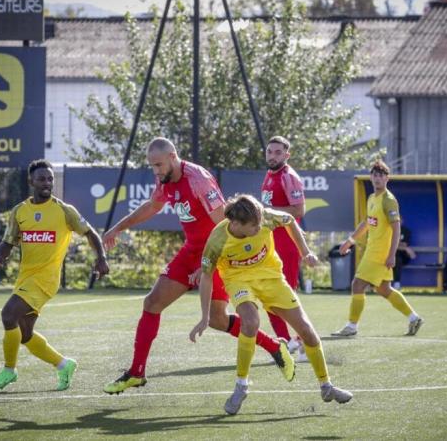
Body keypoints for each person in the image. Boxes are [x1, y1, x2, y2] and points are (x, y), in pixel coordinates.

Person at [102, 137, 292, 394]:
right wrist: (118, 227)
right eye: (152, 167)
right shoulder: (165, 178)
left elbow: (225, 227)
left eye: (158, 165)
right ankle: (137, 372)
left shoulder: (198, 180)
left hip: (217, 254)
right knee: (152, 303)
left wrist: (207, 267)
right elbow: (152, 206)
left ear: (172, 157)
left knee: (216, 319)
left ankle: (274, 346)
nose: (156, 171)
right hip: (191, 251)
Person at [190, 194, 352, 415]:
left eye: (260, 223)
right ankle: (241, 386)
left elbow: (290, 220)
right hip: (239, 279)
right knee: (250, 322)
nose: (259, 227)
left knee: (307, 331)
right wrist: (203, 317)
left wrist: (306, 252)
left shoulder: (264, 216)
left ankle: (326, 386)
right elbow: (207, 276)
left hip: (272, 277)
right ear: (235, 224)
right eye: (253, 225)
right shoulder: (217, 239)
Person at [0, 160, 110, 391]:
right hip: (25, 278)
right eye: (42, 178)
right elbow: (8, 242)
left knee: (8, 314)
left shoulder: (64, 210)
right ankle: (63, 364)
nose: (47, 183)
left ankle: (9, 370)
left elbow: (91, 233)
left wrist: (101, 257)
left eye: (50, 179)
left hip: (46, 279)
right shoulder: (20, 211)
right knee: (25, 334)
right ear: (31, 181)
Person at [332, 160, 423, 337]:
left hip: (379, 253)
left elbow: (396, 228)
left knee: (357, 285)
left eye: (381, 175)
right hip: (373, 251)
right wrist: (349, 241)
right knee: (383, 289)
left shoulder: (388, 200)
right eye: (374, 175)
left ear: (387, 178)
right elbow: (367, 223)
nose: (377, 178)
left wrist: (392, 255)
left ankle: (351, 326)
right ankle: (414, 318)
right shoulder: (372, 198)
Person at [260, 135, 305, 352]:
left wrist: (266, 211)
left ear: (287, 155)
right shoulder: (270, 174)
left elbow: (298, 211)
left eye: (278, 152)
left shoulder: (289, 177)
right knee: (267, 294)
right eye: (270, 152)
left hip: (287, 243)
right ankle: (286, 342)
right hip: (270, 242)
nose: (272, 156)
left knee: (286, 296)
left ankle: (302, 341)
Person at [392, 218, 416, 290]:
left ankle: (396, 283)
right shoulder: (390, 230)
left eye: (399, 220)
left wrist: (398, 245)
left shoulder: (406, 231)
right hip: (392, 256)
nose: (398, 222)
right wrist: (403, 247)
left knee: (398, 258)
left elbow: (405, 244)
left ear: (402, 221)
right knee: (396, 258)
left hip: (404, 256)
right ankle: (396, 283)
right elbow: (389, 244)